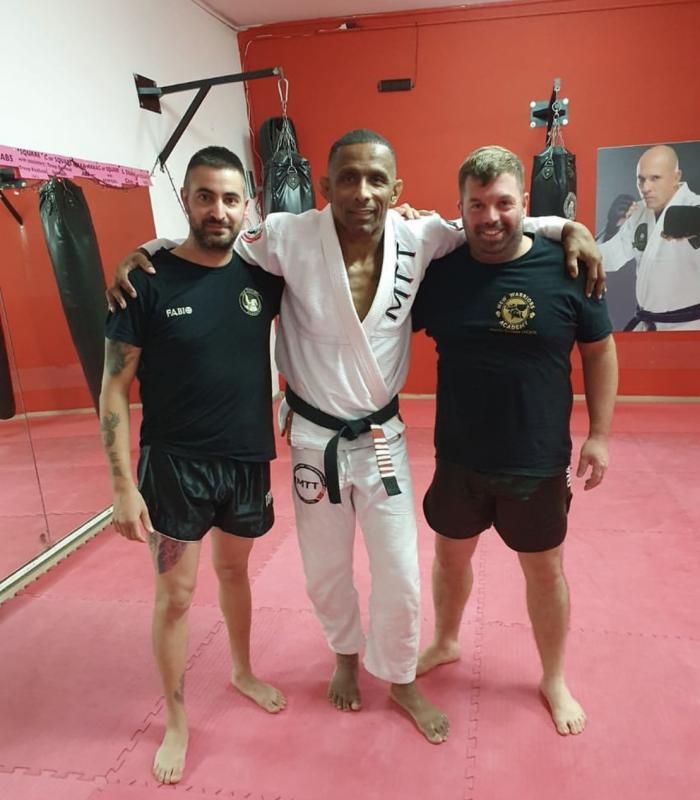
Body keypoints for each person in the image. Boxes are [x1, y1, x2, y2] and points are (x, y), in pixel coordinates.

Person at [110, 129, 604, 744]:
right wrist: (148, 249)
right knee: (324, 570)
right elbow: (215, 236)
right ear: (324, 186)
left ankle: (400, 677)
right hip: (312, 440)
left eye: (376, 180)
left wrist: (566, 226)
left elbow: (492, 220)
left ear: (397, 189)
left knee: (400, 570)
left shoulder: (423, 236)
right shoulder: (287, 236)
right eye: (348, 178)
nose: (362, 192)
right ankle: (345, 655)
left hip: (381, 439)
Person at [413, 145, 618, 736]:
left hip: (537, 459)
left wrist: (600, 435)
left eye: (503, 202)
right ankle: (446, 640)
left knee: (545, 571)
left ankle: (553, 677)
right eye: (477, 205)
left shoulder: (568, 266)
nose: (490, 217)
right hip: (458, 456)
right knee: (450, 557)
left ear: (524, 203)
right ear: (460, 209)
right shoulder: (441, 273)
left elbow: (599, 352)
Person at [99, 146, 286, 786]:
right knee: (175, 596)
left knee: (235, 573)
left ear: (246, 205)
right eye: (205, 196)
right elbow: (113, 390)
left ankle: (242, 671)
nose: (218, 210)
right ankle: (176, 719)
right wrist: (122, 486)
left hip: (247, 461)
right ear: (186, 199)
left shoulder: (261, 279)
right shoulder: (144, 282)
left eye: (230, 198)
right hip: (174, 466)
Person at [599, 144, 700, 330]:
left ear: (676, 177)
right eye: (641, 180)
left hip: (689, 326)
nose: (646, 188)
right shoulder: (639, 212)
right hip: (647, 324)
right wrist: (611, 228)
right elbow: (611, 257)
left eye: (655, 178)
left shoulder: (695, 208)